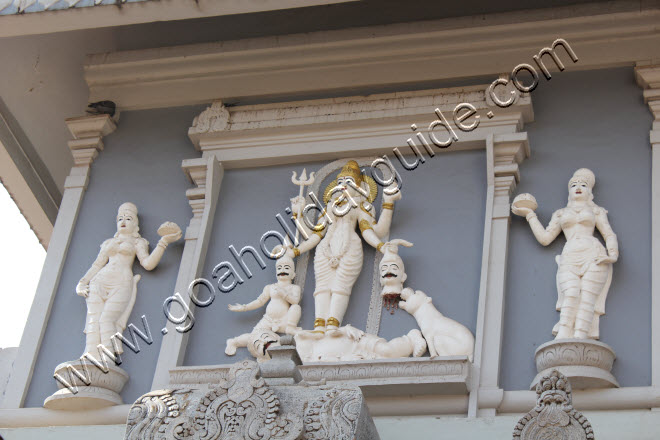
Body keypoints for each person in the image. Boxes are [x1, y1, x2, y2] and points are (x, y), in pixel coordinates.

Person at [287, 160, 400, 334]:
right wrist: (298, 214)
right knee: (322, 288)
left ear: (359, 186)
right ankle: (319, 326)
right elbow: (313, 235)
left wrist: (388, 206)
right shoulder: (329, 208)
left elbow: (372, 231)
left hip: (350, 250)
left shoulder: (361, 206)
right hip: (325, 250)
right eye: (340, 182)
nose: (343, 186)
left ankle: (333, 325)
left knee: (341, 287)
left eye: (349, 182)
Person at [512, 168, 618, 339]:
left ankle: (580, 337)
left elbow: (608, 234)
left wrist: (612, 254)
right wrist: (530, 215)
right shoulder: (561, 214)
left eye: (583, 185)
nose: (578, 187)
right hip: (570, 256)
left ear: (589, 191)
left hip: (593, 254)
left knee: (587, 298)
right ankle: (563, 335)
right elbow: (545, 238)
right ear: (569, 191)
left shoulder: (596, 211)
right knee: (570, 293)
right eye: (573, 185)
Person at [76, 202, 181, 355]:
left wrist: (164, 242)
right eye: (120, 219)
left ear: (136, 225)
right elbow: (97, 264)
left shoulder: (138, 242)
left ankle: (107, 358)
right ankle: (89, 355)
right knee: (93, 320)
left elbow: (148, 264)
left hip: (121, 283)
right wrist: (82, 283)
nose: (123, 222)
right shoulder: (108, 243)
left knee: (106, 320)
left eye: (128, 219)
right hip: (99, 282)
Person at [225, 252, 302, 356]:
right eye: (279, 268)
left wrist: (283, 293)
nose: (282, 270)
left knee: (296, 307)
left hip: (284, 321)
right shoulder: (270, 287)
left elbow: (295, 301)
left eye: (286, 268)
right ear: (276, 273)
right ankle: (234, 342)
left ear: (293, 274)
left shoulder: (294, 288)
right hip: (268, 319)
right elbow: (260, 301)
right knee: (254, 336)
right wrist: (244, 307)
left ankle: (291, 328)